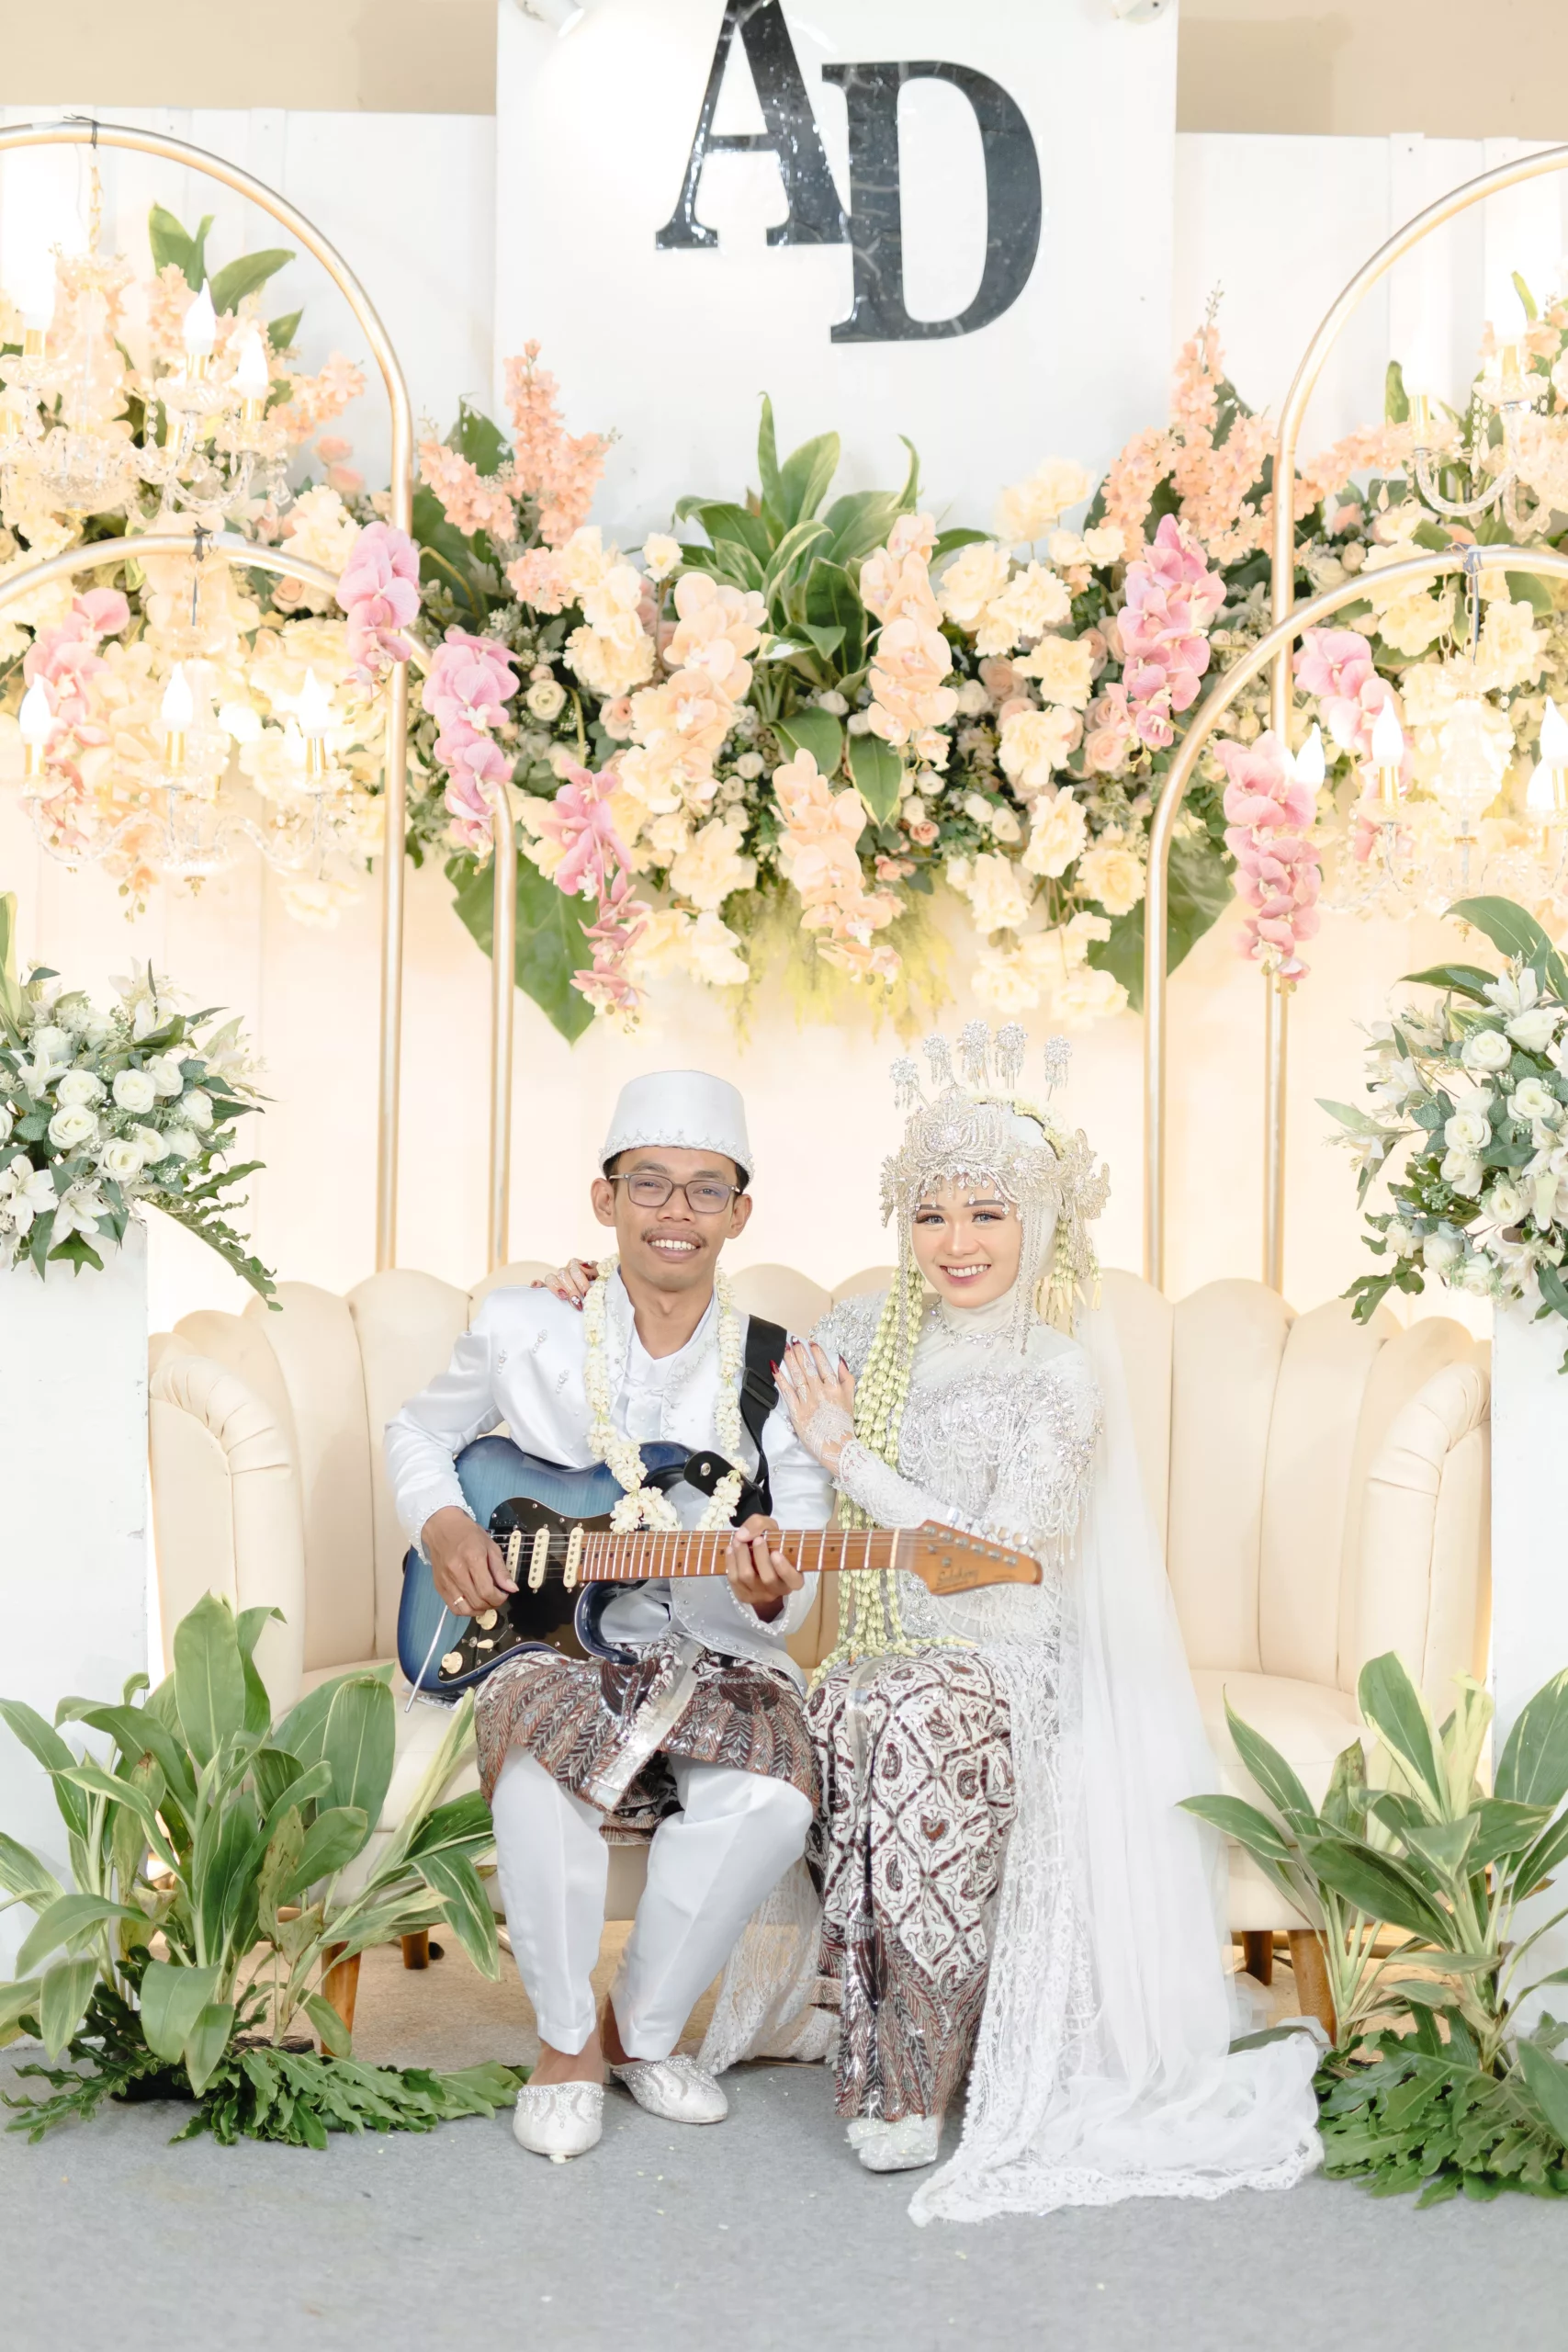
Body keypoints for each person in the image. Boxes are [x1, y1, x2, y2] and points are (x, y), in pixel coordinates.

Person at [705, 1021, 1322, 2219]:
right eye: (932, 1214)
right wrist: (588, 1301)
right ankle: (877, 2023)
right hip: (881, 1651)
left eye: (986, 1213)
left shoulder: (1056, 1374)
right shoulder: (863, 1337)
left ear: (1038, 1220)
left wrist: (848, 1453)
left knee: (918, 1717)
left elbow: (998, 1562)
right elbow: (748, 1394)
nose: (956, 1242)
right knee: (839, 1705)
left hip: (1003, 1661)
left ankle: (908, 2078)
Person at [384, 1070, 832, 2163]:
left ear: (740, 1213)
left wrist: (772, 1586)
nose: (676, 1212)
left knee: (774, 1794)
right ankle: (562, 2044)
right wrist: (446, 1525)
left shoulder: (779, 1367)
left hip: (710, 1642)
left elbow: (804, 1549)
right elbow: (417, 1432)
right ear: (607, 1199)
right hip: (542, 1634)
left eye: (705, 1189)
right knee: (541, 1769)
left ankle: (639, 2030)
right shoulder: (527, 1321)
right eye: (650, 1184)